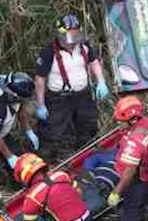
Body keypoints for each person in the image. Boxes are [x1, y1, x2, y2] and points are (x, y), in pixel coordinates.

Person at [33, 15, 110, 160]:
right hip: (58, 99)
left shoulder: (83, 46)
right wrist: (41, 104)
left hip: (82, 95)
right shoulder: (49, 52)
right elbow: (40, 79)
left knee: (88, 124)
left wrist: (101, 81)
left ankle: (86, 153)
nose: (72, 42)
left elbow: (93, 62)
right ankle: (49, 160)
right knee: (53, 130)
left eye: (75, 36)